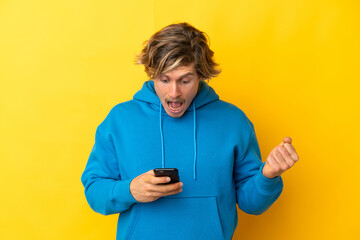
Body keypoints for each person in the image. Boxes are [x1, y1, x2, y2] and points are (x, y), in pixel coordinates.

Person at [81, 22, 299, 240]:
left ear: (201, 75)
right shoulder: (120, 120)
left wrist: (267, 176)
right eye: (164, 80)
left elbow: (252, 204)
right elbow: (94, 191)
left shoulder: (233, 121)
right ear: (151, 74)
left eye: (185, 80)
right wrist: (129, 190)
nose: (174, 92)